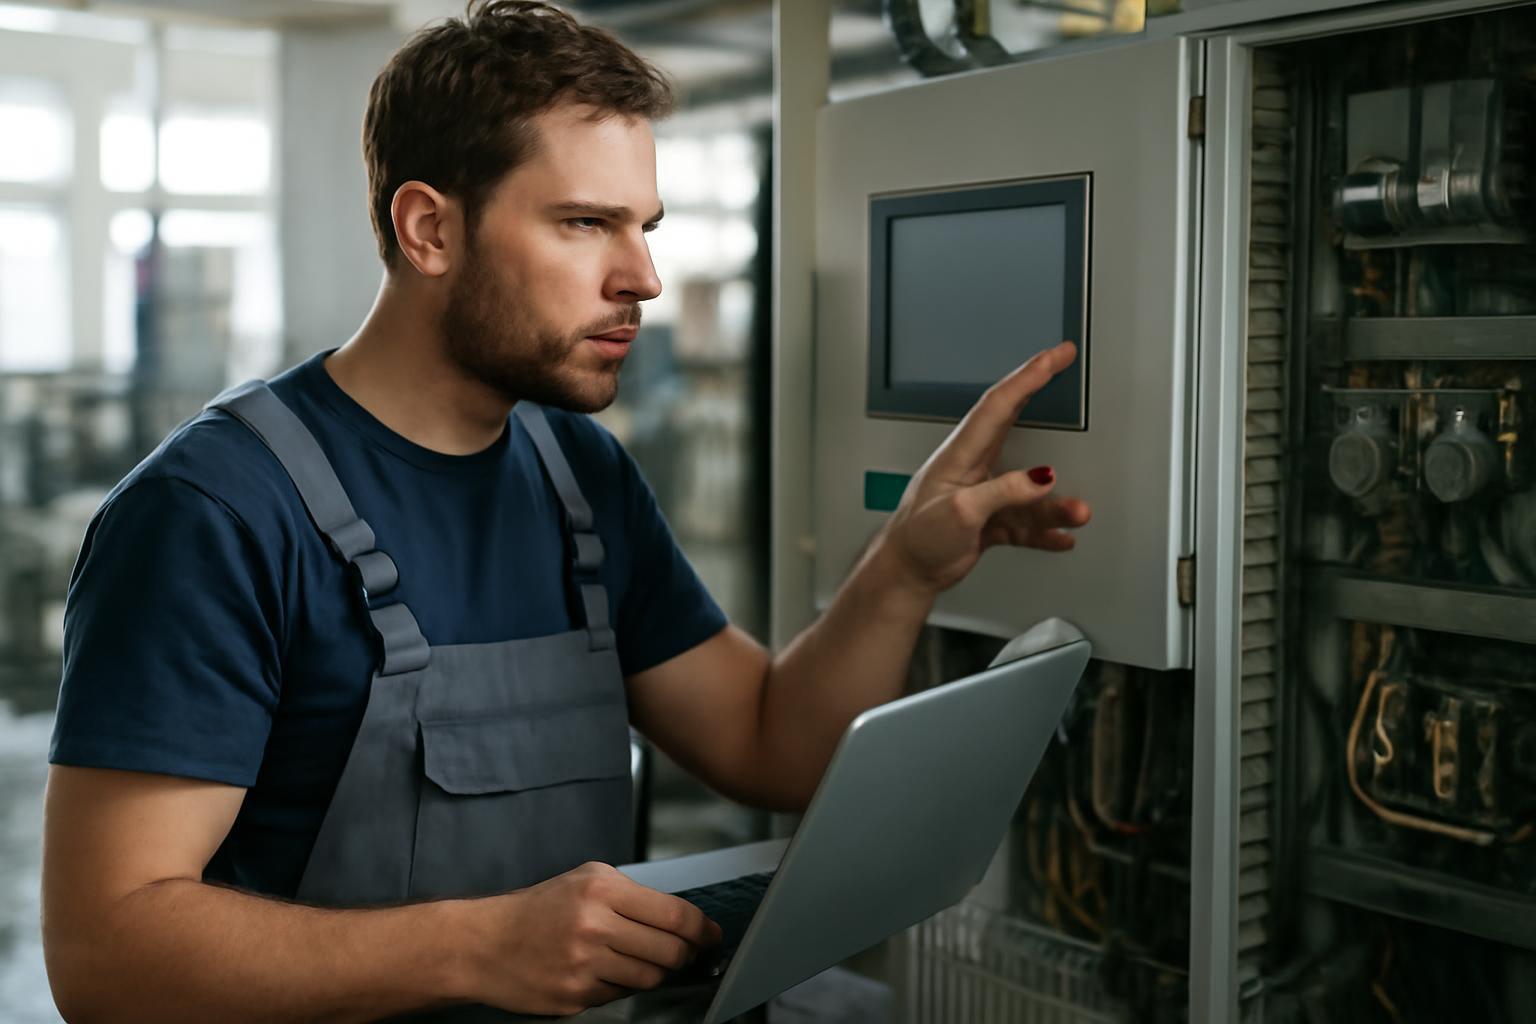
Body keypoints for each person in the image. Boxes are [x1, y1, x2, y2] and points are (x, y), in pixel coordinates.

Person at [39, 2, 1092, 1021]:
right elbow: (107, 956)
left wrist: (905, 564)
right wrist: (479, 946)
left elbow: (771, 743)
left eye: (643, 227)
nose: (642, 277)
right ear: (428, 229)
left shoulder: (577, 475)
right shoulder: (213, 514)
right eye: (586, 222)